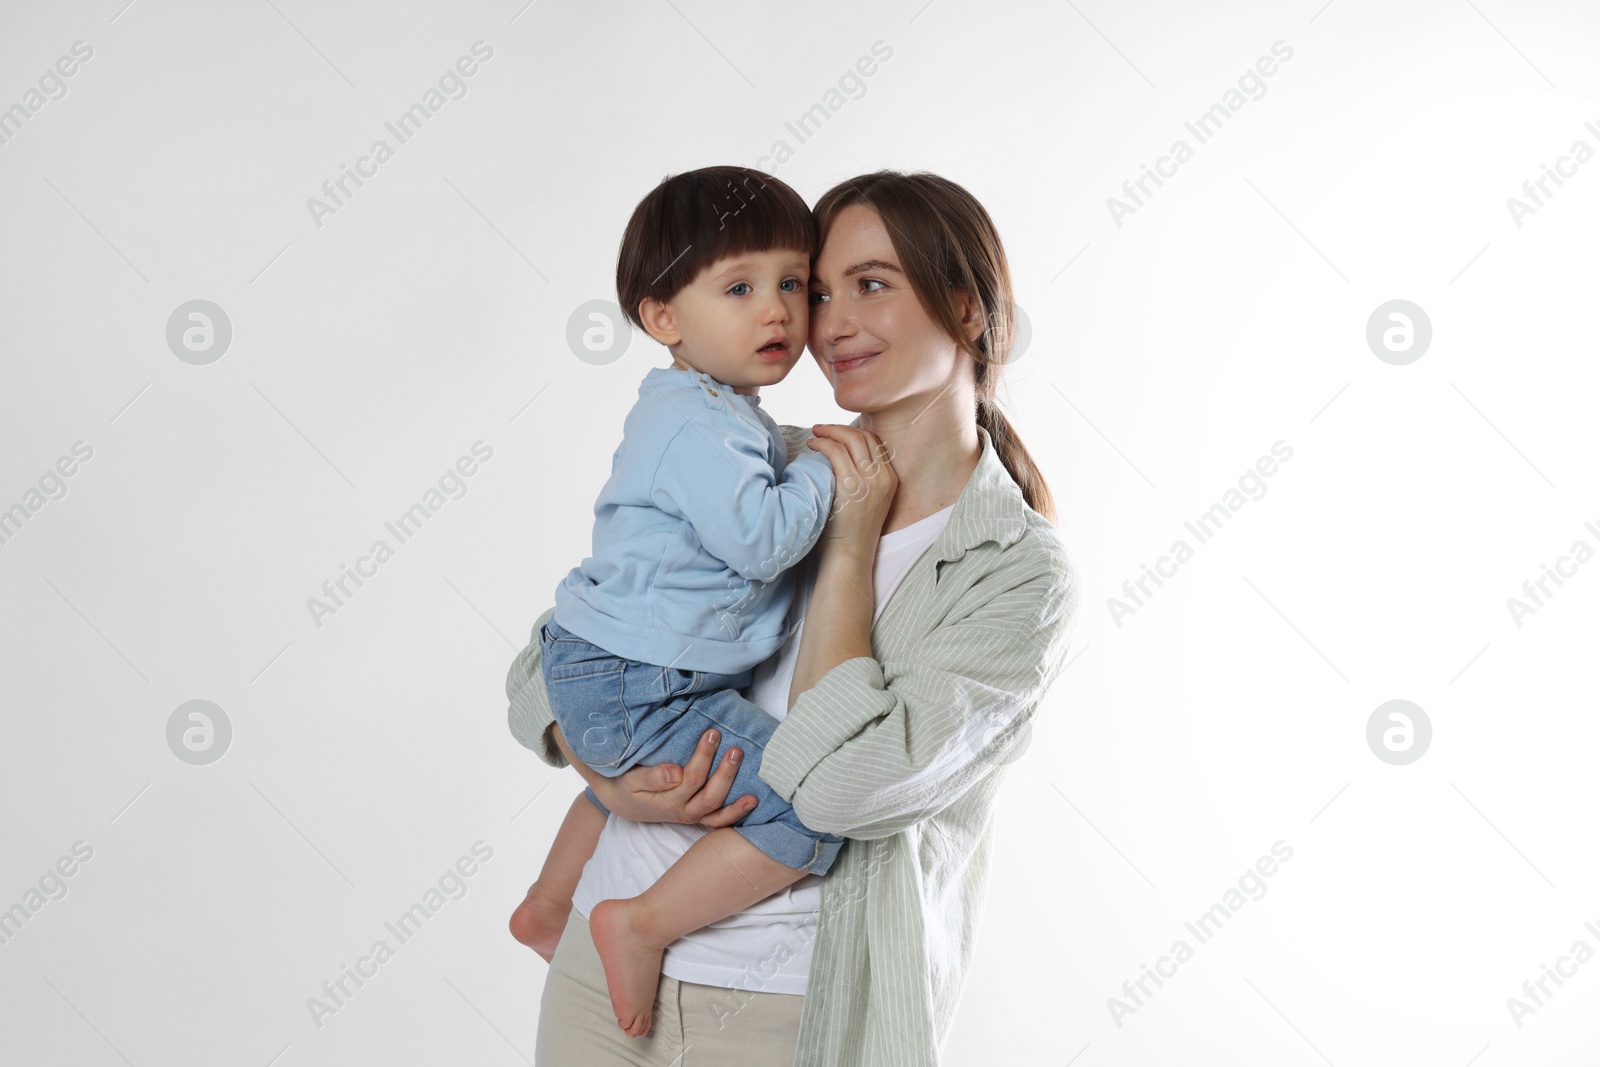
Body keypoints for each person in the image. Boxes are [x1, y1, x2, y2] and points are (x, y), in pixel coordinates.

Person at [507, 170, 1082, 1066]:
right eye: (819, 291)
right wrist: (609, 774)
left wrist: (848, 549)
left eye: (873, 284)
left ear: (966, 309)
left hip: (791, 1009)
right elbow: (555, 652)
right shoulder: (765, 466)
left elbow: (841, 786)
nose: (830, 319)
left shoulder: (1013, 571)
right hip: (596, 971)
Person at [508, 165, 852, 1037]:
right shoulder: (699, 424)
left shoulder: (714, 411)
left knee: (651, 774)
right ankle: (641, 919)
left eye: (790, 285)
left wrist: (793, 447)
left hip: (615, 672)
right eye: (739, 287)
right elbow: (769, 538)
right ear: (663, 318)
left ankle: (551, 903)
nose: (776, 310)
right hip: (637, 678)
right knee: (809, 798)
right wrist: (824, 465)